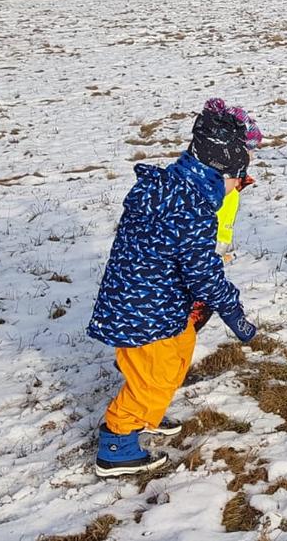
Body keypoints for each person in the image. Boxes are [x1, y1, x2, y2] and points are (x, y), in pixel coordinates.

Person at [87, 99, 262, 478]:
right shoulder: (193, 207)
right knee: (154, 377)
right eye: (237, 178)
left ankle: (147, 413)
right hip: (143, 312)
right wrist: (233, 312)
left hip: (158, 303)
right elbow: (203, 273)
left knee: (179, 352)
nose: (238, 187)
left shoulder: (174, 186)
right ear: (217, 172)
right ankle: (117, 445)